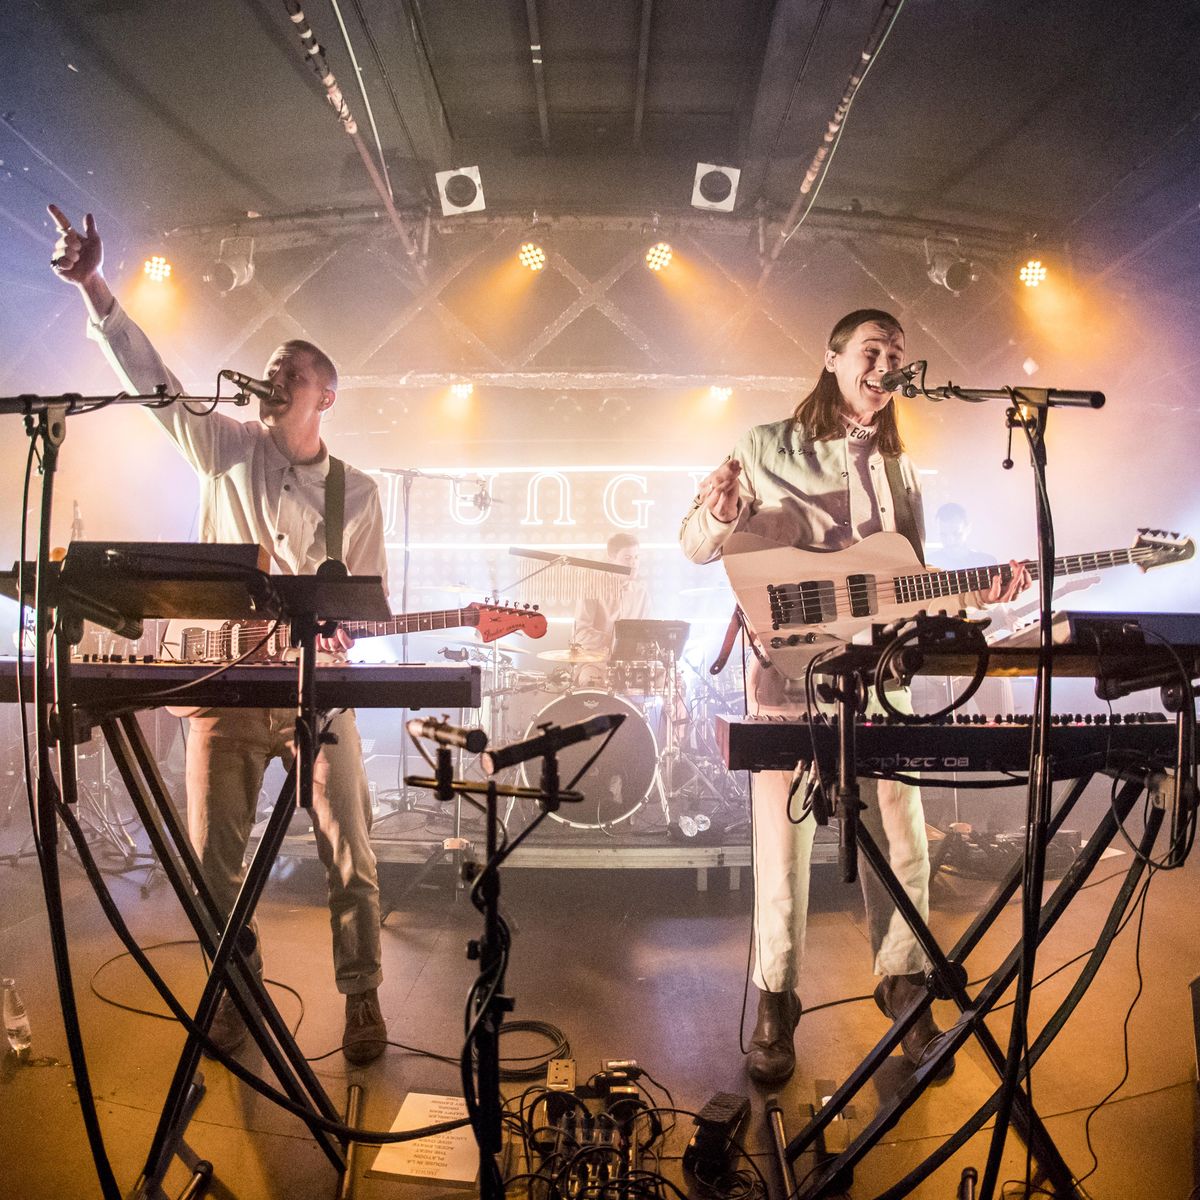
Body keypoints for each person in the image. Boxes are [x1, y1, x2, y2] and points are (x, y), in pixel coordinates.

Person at [49, 206, 390, 1065]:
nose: (275, 378)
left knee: (351, 854)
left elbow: (367, 604)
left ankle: (362, 995)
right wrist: (96, 287)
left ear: (325, 395)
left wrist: (342, 634)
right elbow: (155, 384)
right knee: (212, 864)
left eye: (292, 371)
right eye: (271, 368)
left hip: (316, 695)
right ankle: (234, 987)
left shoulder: (359, 493)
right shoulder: (225, 448)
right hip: (228, 688)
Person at [680, 309, 1029, 1085]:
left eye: (897, 354)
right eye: (872, 350)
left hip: (881, 681)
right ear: (832, 358)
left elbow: (910, 582)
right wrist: (722, 512)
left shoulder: (900, 467)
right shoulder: (763, 446)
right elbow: (696, 544)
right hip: (788, 680)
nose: (886, 364)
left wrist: (978, 593)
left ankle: (904, 987)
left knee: (905, 840)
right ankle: (776, 1000)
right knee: (783, 849)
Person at [571, 531, 650, 688]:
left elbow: (647, 634)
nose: (634, 563)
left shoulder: (642, 593)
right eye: (627, 558)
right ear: (611, 558)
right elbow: (580, 633)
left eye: (636, 557)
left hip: (631, 664)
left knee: (668, 681)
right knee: (590, 681)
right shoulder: (592, 588)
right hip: (596, 663)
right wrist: (614, 641)